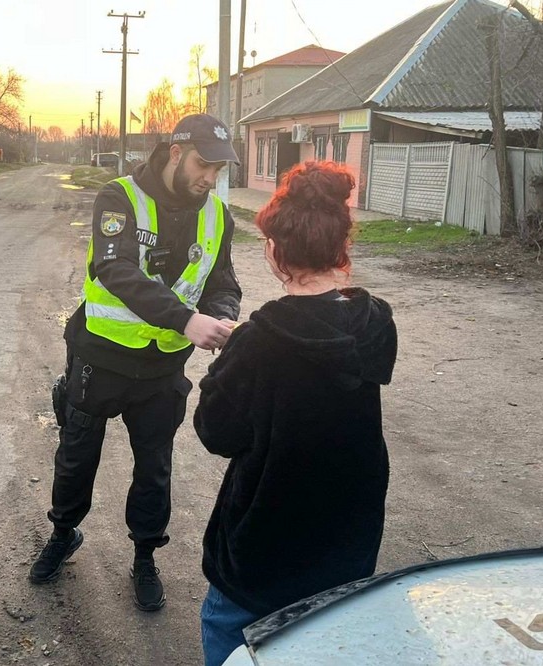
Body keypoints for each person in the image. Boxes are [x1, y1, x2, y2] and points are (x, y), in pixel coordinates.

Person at [31, 114, 242, 612]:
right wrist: (186, 319)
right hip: (99, 358)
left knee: (154, 469)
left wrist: (223, 318)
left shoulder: (218, 216)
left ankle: (145, 555)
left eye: (218, 170)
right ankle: (63, 531)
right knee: (77, 455)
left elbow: (222, 280)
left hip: (162, 370)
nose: (209, 178)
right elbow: (114, 270)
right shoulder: (119, 198)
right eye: (202, 164)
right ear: (175, 151)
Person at [194, 161, 398, 665]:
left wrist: (226, 371)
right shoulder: (376, 322)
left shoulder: (260, 342)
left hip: (265, 543)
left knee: (227, 632)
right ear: (341, 247)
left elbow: (216, 433)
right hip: (348, 534)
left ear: (275, 249)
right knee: (323, 642)